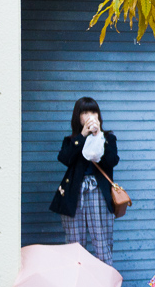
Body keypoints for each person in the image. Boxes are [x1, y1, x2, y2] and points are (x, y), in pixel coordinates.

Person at [51, 97, 120, 265]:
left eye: (93, 112)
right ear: (78, 117)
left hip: (99, 194)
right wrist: (82, 136)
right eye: (85, 112)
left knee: (102, 245)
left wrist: (98, 137)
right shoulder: (71, 140)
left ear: (98, 116)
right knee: (75, 248)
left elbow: (112, 161)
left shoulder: (108, 138)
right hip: (74, 194)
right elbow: (65, 158)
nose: (89, 116)